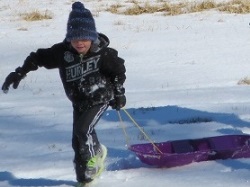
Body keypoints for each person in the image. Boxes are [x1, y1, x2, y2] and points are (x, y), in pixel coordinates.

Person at [1, 1, 126, 186]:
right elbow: (38, 57)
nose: (79, 43)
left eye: (84, 38)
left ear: (91, 37)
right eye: (75, 39)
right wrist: (20, 72)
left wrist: (118, 93)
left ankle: (95, 158)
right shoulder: (63, 53)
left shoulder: (103, 54)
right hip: (79, 101)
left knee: (84, 130)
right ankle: (85, 179)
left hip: (100, 96)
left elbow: (118, 71)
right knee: (77, 141)